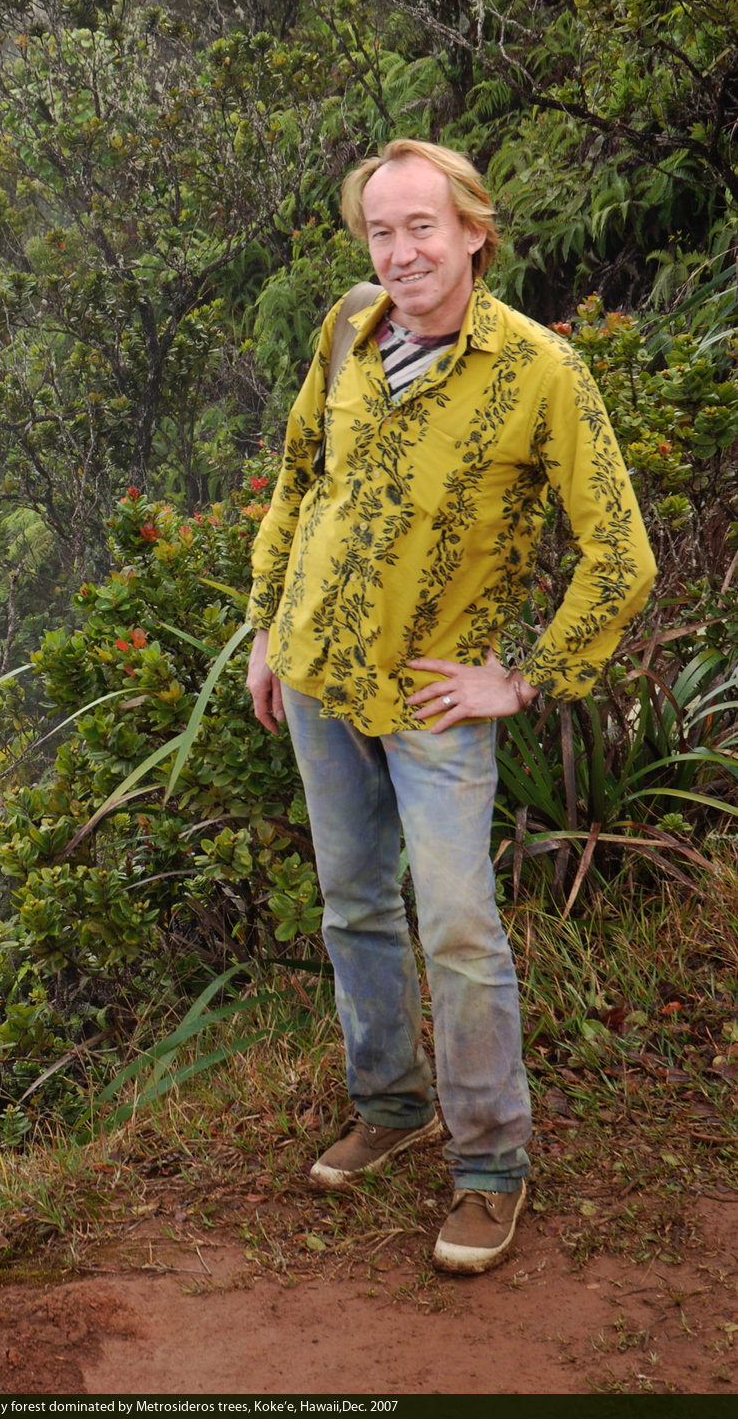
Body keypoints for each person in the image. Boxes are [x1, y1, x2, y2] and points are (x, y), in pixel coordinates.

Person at [245, 138, 655, 1274]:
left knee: (460, 928)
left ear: (474, 230)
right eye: (380, 231)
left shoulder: (538, 370)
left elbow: (619, 554)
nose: (400, 252)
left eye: (421, 227)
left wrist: (522, 676)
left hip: (435, 700)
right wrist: (268, 624)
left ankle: (488, 1165)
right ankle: (390, 1104)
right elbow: (299, 476)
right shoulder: (348, 324)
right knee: (352, 904)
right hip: (320, 671)